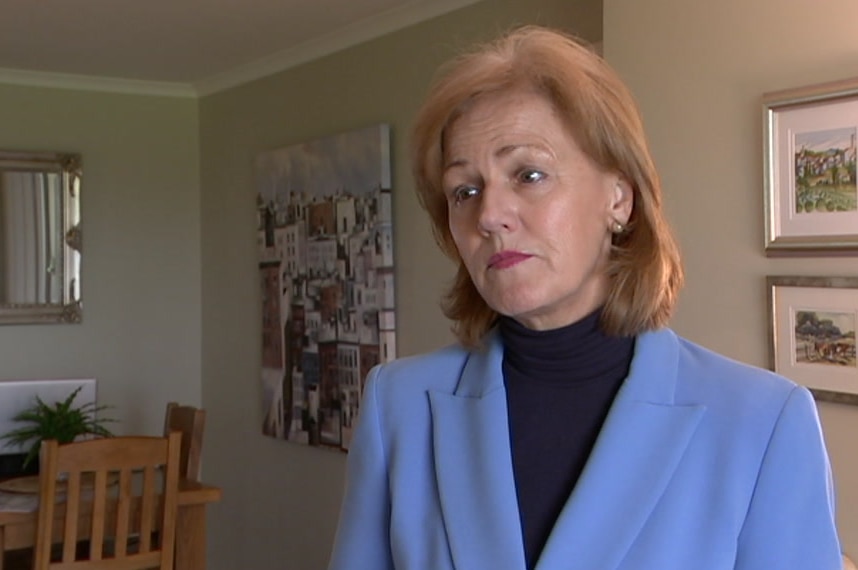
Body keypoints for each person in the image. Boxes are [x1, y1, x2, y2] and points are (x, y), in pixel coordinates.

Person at [328, 25, 841, 570]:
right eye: (466, 190)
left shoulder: (763, 422)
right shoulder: (399, 406)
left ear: (619, 198)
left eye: (528, 174)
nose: (490, 214)